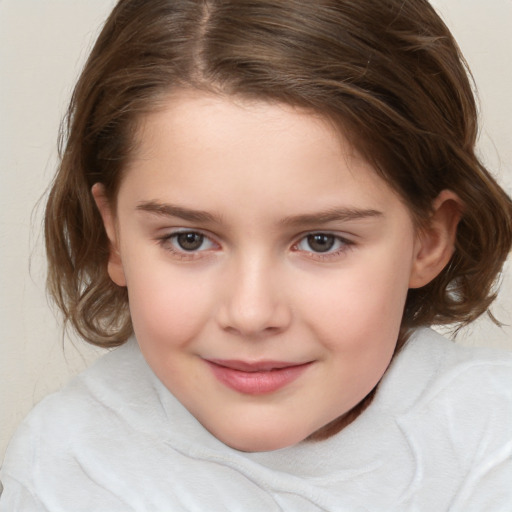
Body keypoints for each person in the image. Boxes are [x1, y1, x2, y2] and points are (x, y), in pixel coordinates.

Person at [1, 0, 512, 509]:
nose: (250, 313)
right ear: (115, 235)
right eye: (189, 239)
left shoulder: (494, 445)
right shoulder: (64, 466)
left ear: (428, 238)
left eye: (321, 241)